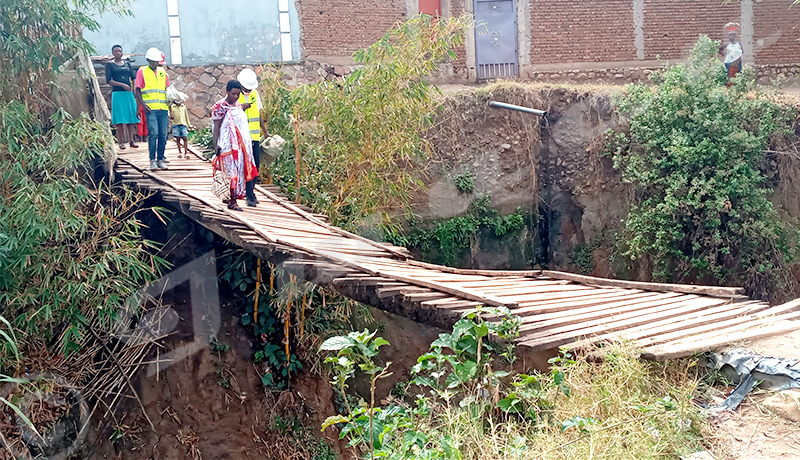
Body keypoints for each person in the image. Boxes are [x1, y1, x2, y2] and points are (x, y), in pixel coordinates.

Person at [211, 80, 258, 211]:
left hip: (239, 144)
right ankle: (232, 200)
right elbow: (217, 126)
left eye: (238, 94)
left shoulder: (236, 104)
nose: (236, 97)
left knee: (237, 170)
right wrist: (216, 144)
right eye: (233, 94)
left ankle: (233, 197)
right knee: (230, 172)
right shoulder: (220, 106)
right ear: (227, 91)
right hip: (227, 145)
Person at [134, 47, 170, 170]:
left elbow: (168, 90)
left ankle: (161, 158)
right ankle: (152, 160)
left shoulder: (163, 72)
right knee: (153, 133)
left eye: (157, 61)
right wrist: (143, 105)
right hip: (151, 109)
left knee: (163, 134)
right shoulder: (142, 71)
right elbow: (137, 90)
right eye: (154, 61)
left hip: (163, 108)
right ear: (148, 60)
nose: (156, 63)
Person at [237, 68, 268, 206]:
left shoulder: (255, 94)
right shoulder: (235, 95)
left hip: (254, 137)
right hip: (242, 138)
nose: (248, 91)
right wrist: (241, 107)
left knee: (255, 166)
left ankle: (251, 192)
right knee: (245, 166)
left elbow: (259, 114)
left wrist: (265, 132)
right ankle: (248, 195)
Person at [106, 45, 139, 149]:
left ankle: (132, 140)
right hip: (118, 93)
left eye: (120, 51)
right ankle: (121, 141)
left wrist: (134, 88)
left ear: (122, 52)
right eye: (116, 51)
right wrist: (122, 85)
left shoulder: (128, 64)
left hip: (128, 94)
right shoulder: (110, 65)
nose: (118, 53)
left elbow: (133, 77)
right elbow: (109, 81)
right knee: (120, 119)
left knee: (131, 117)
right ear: (112, 53)